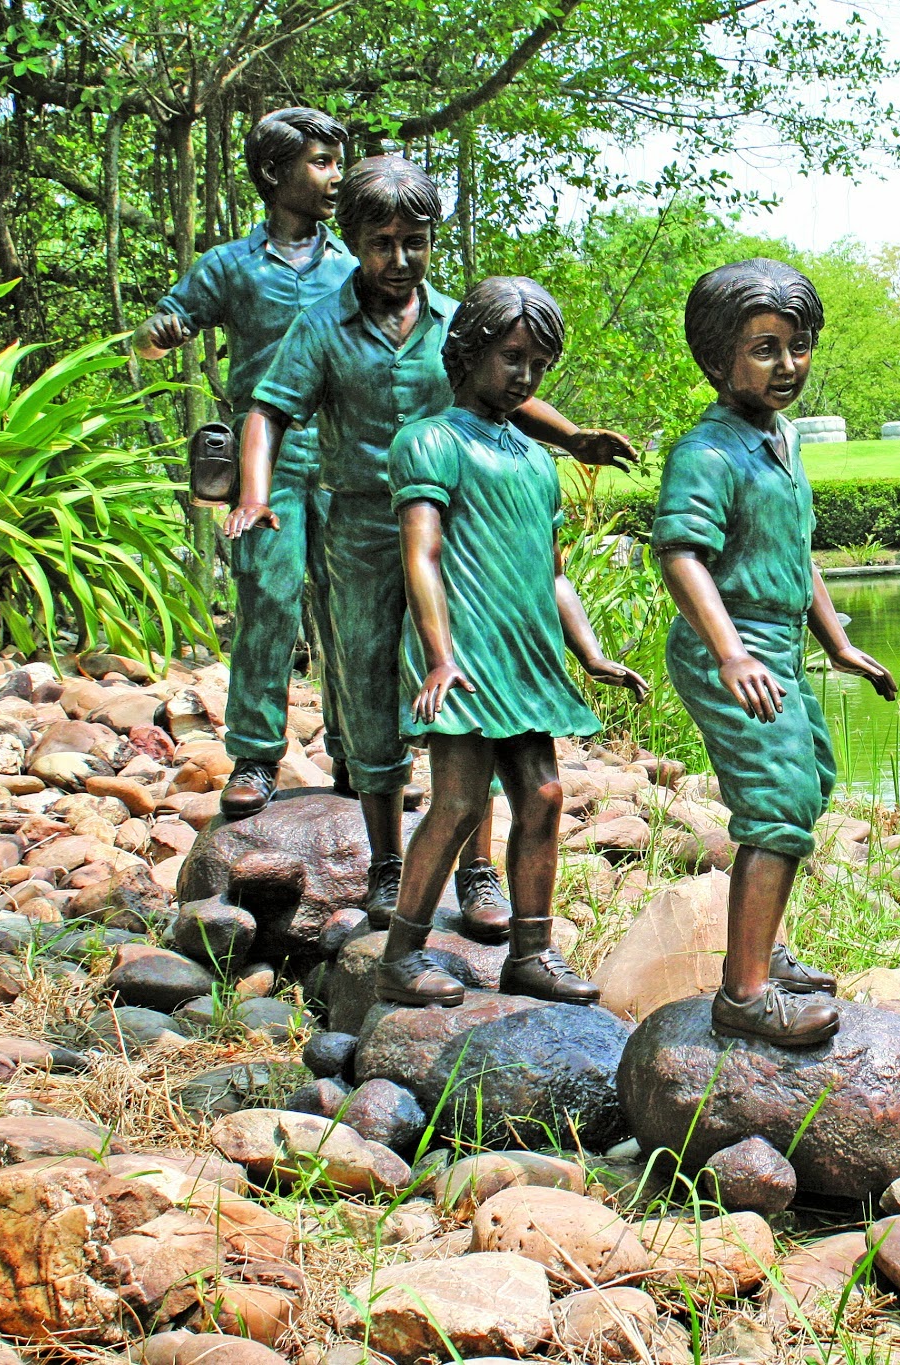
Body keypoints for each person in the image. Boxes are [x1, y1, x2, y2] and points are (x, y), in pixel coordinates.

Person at [242, 155, 637, 935]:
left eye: (414, 242)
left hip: (449, 524)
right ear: (351, 240)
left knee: (471, 691)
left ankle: (480, 868)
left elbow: (507, 390)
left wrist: (575, 438)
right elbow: (268, 409)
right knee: (365, 684)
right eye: (381, 242)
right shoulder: (321, 323)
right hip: (361, 525)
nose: (399, 260)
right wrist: (255, 492)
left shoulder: (456, 319)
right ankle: (388, 860)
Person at [375, 277, 647, 1006]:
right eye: (512, 357)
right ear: (465, 351)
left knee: (547, 796)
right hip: (464, 653)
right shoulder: (430, 441)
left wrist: (590, 652)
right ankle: (401, 956)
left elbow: (553, 575)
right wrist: (438, 655)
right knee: (459, 802)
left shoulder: (534, 461)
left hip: (525, 655)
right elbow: (421, 556)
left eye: (538, 364)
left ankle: (531, 952)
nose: (524, 376)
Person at [653, 258, 896, 1047]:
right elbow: (682, 556)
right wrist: (729, 653)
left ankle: (763, 946)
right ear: (719, 356)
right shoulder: (708, 452)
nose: (787, 364)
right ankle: (745, 994)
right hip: (731, 643)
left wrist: (840, 642)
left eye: (799, 345)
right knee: (779, 799)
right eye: (765, 348)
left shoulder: (781, 438)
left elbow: (798, 556)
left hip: (778, 645)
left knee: (808, 778)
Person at [133, 107, 356, 818]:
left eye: (335, 161)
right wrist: (158, 332)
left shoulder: (352, 268)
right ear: (273, 173)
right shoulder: (230, 266)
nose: (334, 177)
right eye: (319, 162)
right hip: (265, 461)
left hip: (344, 455)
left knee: (353, 605)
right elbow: (158, 327)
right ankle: (257, 756)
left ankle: (360, 750)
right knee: (267, 601)